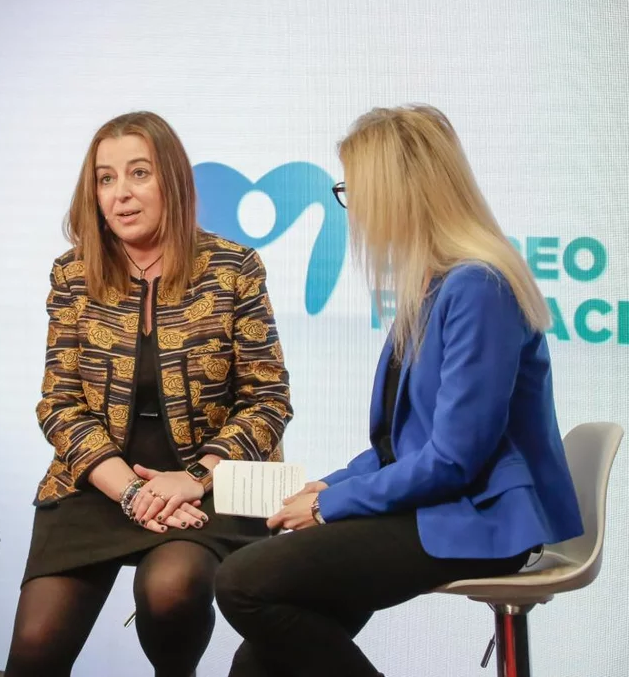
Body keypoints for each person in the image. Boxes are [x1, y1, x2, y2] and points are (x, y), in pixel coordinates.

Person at [213, 104, 584, 677]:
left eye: (352, 189)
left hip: (476, 518)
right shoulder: (435, 285)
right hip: (443, 504)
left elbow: (453, 460)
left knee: (243, 582)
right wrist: (331, 485)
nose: (350, 206)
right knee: (260, 663)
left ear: (397, 190)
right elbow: (402, 444)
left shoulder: (479, 288)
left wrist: (327, 505)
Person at [2, 111, 293, 677]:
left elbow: (268, 399)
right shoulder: (72, 274)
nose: (121, 194)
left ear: (173, 182)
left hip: (206, 481)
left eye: (139, 173)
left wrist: (196, 477)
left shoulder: (234, 268)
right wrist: (132, 490)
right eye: (105, 179)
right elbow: (59, 405)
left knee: (170, 590)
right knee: (35, 647)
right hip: (100, 478)